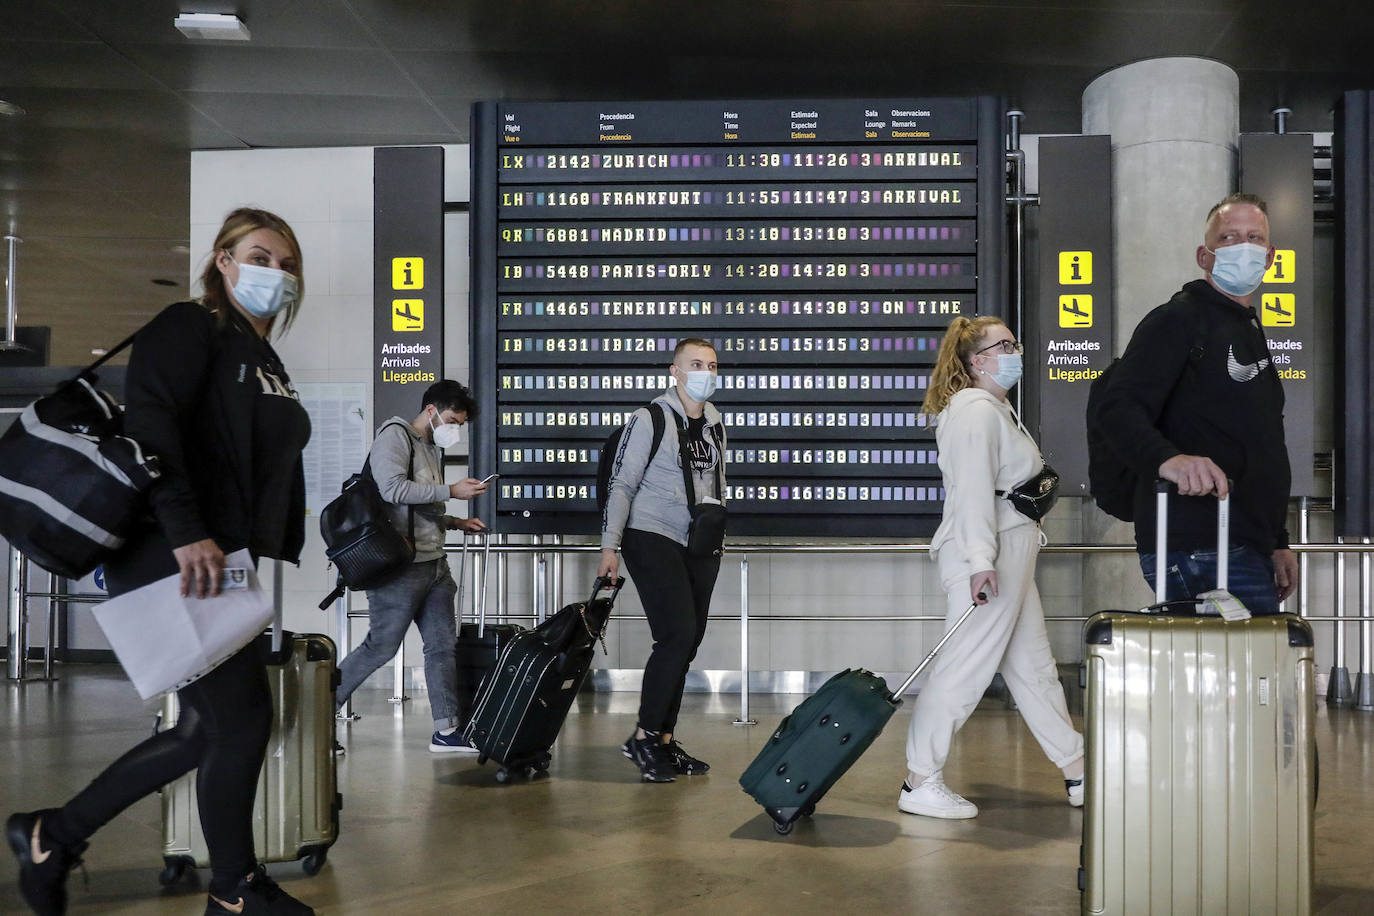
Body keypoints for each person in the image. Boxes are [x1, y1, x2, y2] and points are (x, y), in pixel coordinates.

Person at [6, 208, 316, 915]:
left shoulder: (259, 352)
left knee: (206, 727)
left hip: (217, 553)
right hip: (174, 549)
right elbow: (151, 422)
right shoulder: (191, 324)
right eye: (262, 255)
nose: (279, 272)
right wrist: (186, 532)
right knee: (238, 721)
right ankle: (235, 892)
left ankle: (53, 835)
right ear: (225, 261)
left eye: (290, 263)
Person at [899, 316, 1085, 819]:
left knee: (1034, 669)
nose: (1015, 352)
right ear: (976, 360)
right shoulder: (974, 413)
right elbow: (975, 493)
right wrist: (982, 562)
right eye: (1004, 345)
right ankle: (919, 780)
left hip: (1011, 553)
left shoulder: (997, 411)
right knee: (963, 669)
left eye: (1014, 343)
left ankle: (1076, 767)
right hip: (990, 556)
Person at [1096, 193, 1297, 615]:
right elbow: (1116, 408)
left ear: (1271, 256)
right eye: (1228, 237)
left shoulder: (1249, 330)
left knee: (1251, 676)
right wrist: (1169, 460)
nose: (1243, 246)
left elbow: (1260, 443)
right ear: (1204, 257)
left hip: (1246, 546)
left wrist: (1276, 541)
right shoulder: (1178, 320)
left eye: (1254, 237)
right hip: (1200, 546)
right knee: (1240, 677)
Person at [334, 380, 489, 752]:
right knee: (380, 647)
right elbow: (393, 490)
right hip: (398, 567)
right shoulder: (395, 436)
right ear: (432, 411)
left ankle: (447, 730)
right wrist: (451, 491)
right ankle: (319, 711)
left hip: (433, 562)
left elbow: (420, 507)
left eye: (462, 424)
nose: (456, 428)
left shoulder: (430, 447)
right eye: (453, 419)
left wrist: (455, 522)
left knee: (441, 646)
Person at [598, 338, 726, 783]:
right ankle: (644, 737)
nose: (705, 372)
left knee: (686, 644)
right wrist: (609, 547)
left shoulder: (713, 421)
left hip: (697, 542)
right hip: (649, 533)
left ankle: (665, 741)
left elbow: (714, 486)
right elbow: (622, 485)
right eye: (695, 364)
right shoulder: (648, 419)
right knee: (676, 635)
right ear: (675, 371)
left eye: (711, 364)